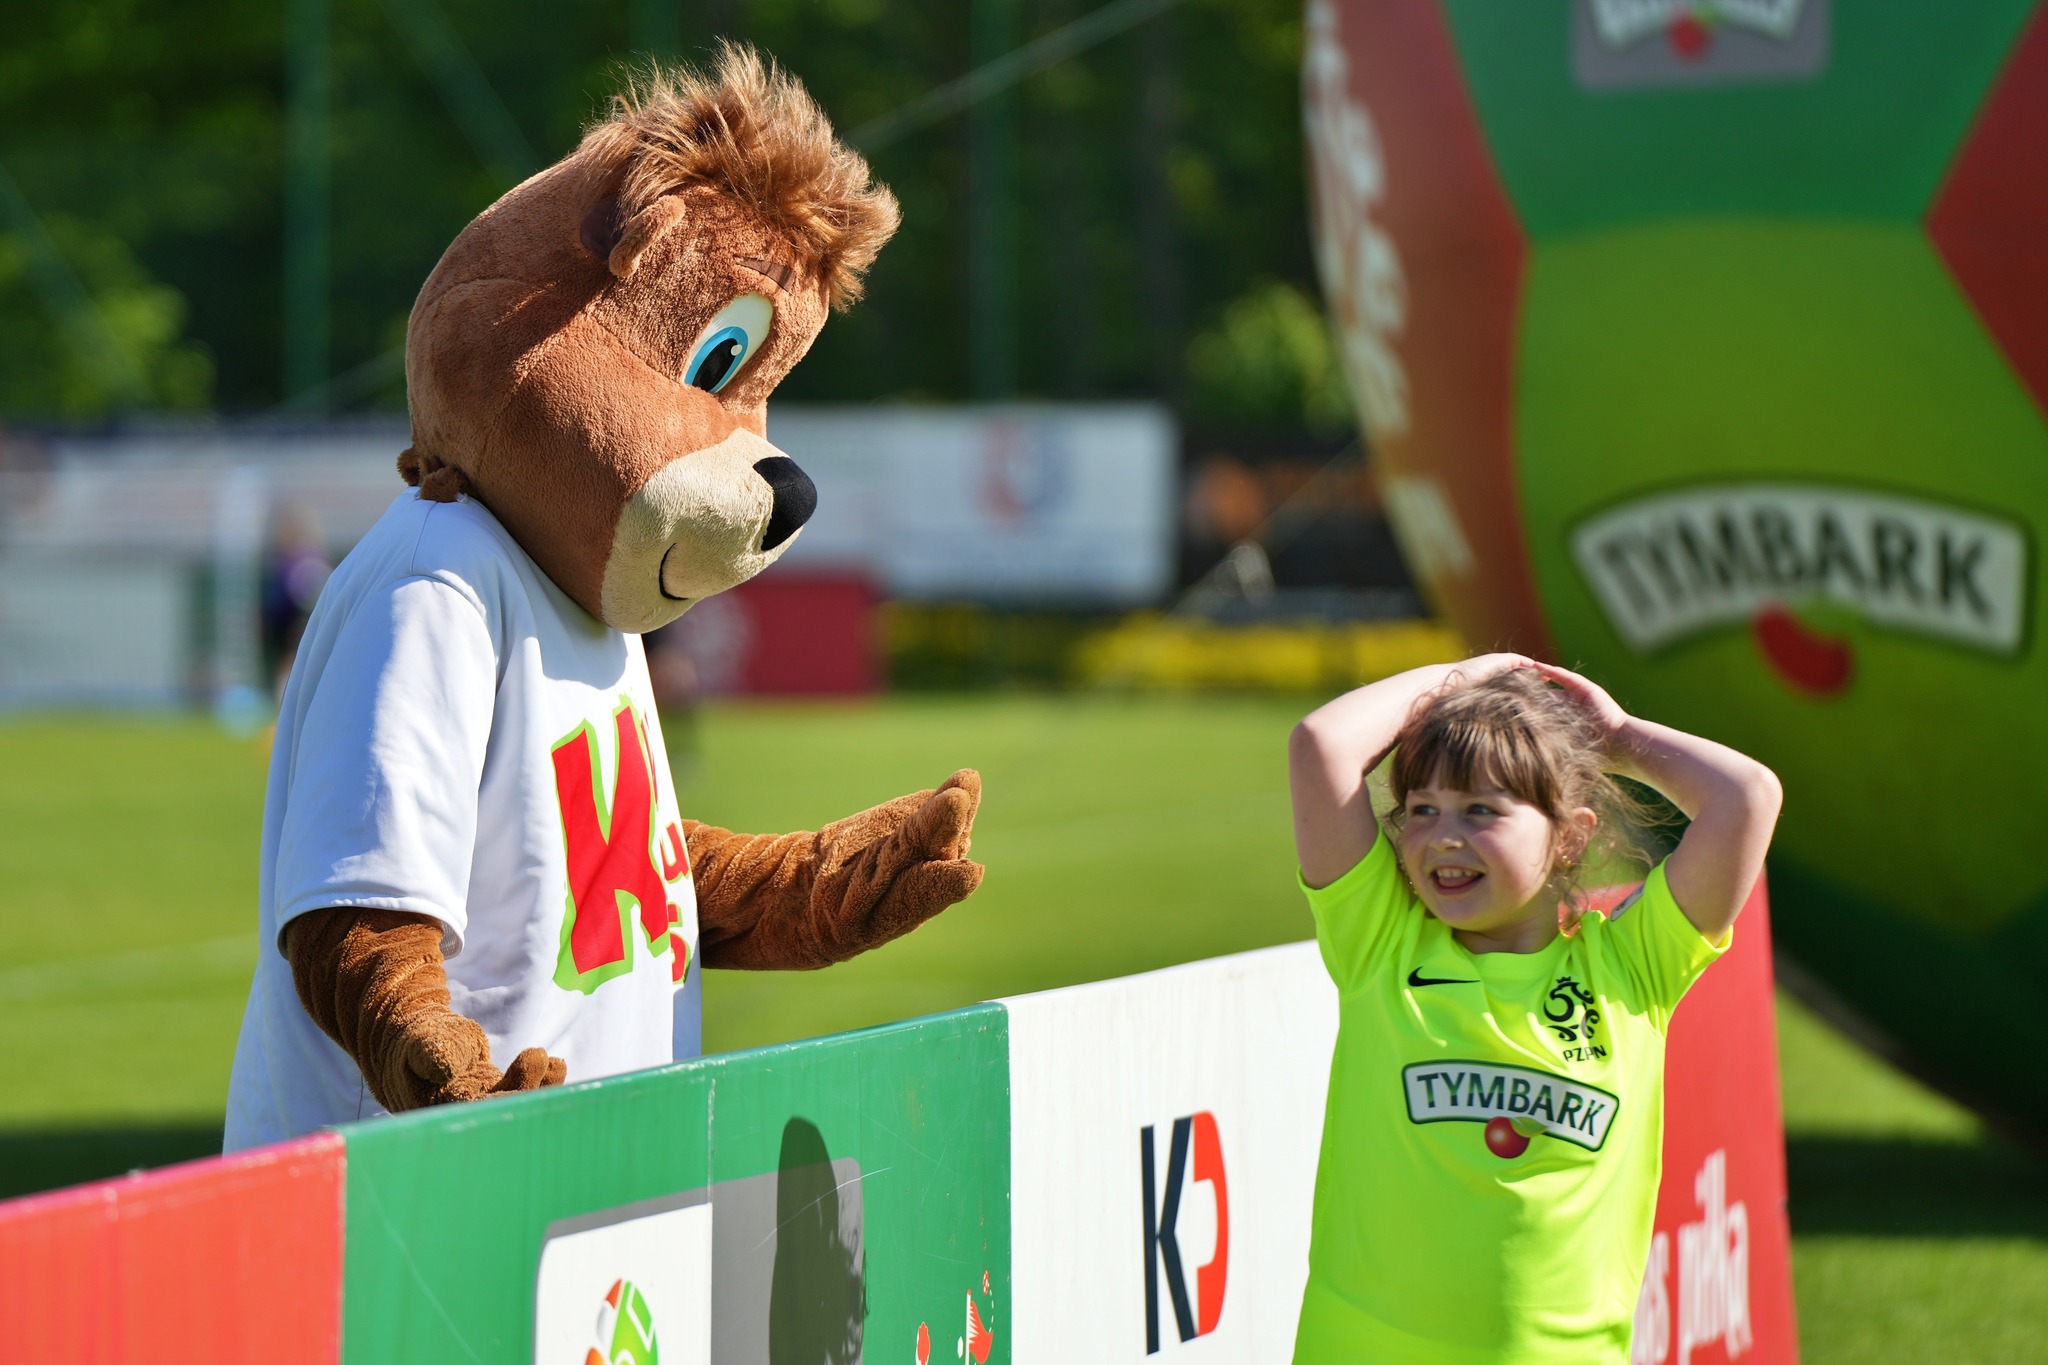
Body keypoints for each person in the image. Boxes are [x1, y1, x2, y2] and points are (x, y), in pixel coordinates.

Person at [1287, 654, 1781, 1363]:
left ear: (1570, 835)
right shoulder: (1379, 943)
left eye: (1480, 810)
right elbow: (1320, 745)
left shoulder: (1631, 968)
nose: (1443, 836)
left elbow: (1748, 797)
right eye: (1422, 809)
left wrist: (1616, 737)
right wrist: (1466, 674)